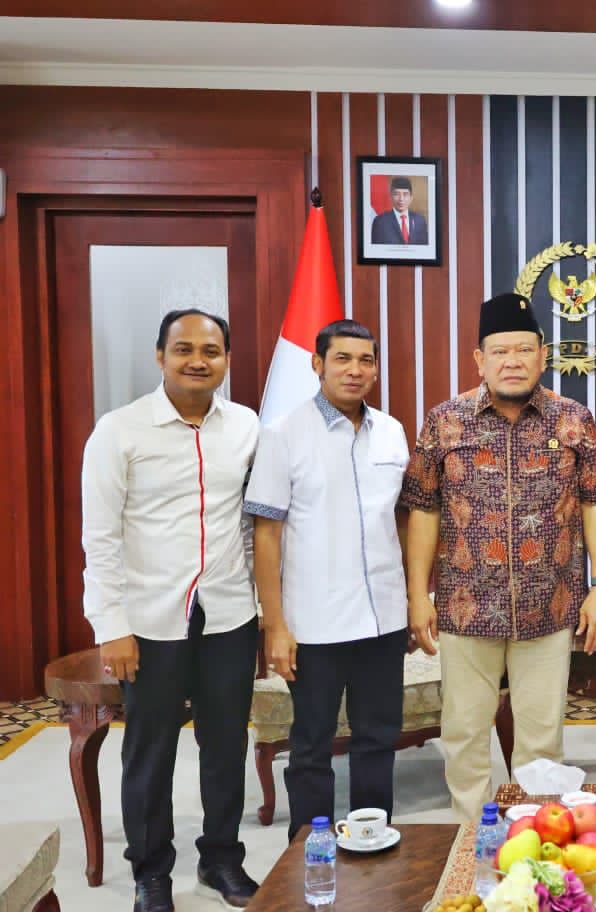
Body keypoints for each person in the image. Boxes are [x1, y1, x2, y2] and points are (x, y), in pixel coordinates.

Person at [402, 293, 596, 822]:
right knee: (464, 732)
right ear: (480, 360)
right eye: (500, 351)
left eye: (523, 350)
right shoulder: (445, 422)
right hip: (466, 607)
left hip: (550, 606)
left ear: (543, 355)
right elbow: (423, 510)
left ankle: (534, 838)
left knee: (542, 739)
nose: (512, 361)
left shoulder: (573, 420)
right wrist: (417, 595)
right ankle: (469, 835)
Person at [81, 309, 261, 912]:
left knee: (226, 743)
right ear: (160, 356)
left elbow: (251, 523)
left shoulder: (245, 426)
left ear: (227, 360)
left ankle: (221, 859)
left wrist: (263, 607)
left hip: (229, 613)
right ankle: (150, 871)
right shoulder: (120, 431)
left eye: (211, 350)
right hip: (150, 620)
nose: (197, 360)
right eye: (183, 349)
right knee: (151, 749)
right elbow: (100, 538)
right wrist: (111, 626)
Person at [244, 319, 410, 841]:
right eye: (342, 358)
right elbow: (266, 535)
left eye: (365, 360)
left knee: (378, 738)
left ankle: (373, 842)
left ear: (375, 369)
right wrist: (275, 625)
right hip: (314, 623)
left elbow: (401, 521)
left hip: (384, 617)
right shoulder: (283, 434)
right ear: (317, 364)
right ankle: (307, 850)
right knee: (312, 743)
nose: (355, 370)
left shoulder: (391, 431)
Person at [371, 176, 429, 245]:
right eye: (396, 194)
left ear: (411, 198)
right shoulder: (380, 222)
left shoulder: (420, 221)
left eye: (405, 194)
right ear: (390, 197)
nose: (401, 199)